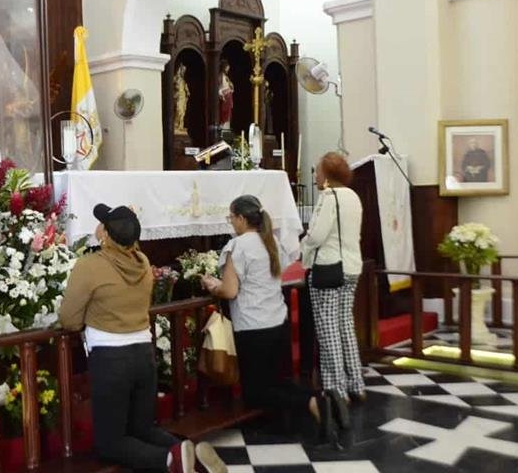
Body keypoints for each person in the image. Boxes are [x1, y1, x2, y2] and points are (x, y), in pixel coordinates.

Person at [59, 204, 227, 473]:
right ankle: (192, 457)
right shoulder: (143, 262)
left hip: (111, 359)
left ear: (105, 234)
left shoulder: (90, 266)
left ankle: (172, 462)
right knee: (143, 429)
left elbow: (69, 319)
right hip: (143, 354)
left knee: (110, 443)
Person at [201, 195, 342, 446]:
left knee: (256, 392)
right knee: (277, 381)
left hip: (253, 325)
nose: (231, 222)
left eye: (232, 217)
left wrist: (213, 286)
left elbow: (231, 291)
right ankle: (320, 397)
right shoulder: (271, 240)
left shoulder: (237, 247)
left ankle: (312, 401)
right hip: (277, 320)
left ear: (242, 219)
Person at [301, 152, 365, 428]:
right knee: (344, 325)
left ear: (327, 174)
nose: (315, 176)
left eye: (317, 171)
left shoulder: (329, 198)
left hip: (329, 268)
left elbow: (316, 235)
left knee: (327, 329)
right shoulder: (353, 196)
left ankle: (336, 390)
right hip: (352, 266)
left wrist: (303, 244)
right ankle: (356, 383)